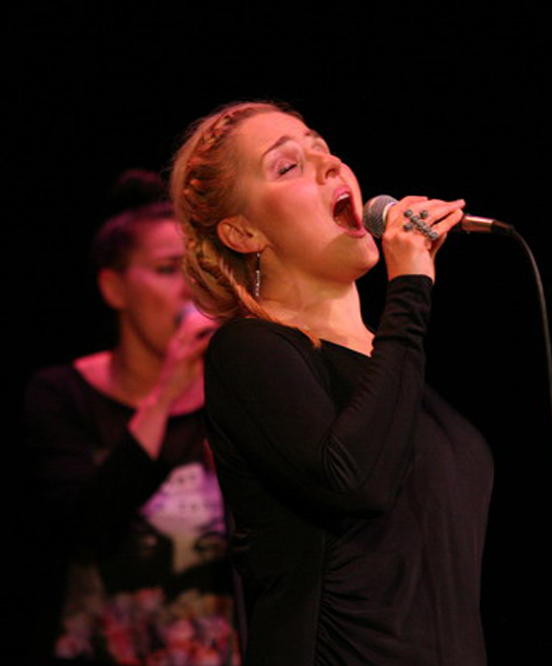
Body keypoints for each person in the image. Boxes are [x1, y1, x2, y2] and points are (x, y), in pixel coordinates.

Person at [169, 101, 494, 665]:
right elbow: (356, 480)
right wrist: (409, 289)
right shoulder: (248, 351)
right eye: (287, 165)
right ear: (243, 232)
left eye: (322, 147)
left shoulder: (393, 364)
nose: (330, 164)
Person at [23, 171, 240, 665]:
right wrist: (167, 394)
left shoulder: (232, 395)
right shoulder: (61, 394)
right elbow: (87, 527)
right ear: (114, 287)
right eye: (167, 269)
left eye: (198, 269)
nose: (189, 288)